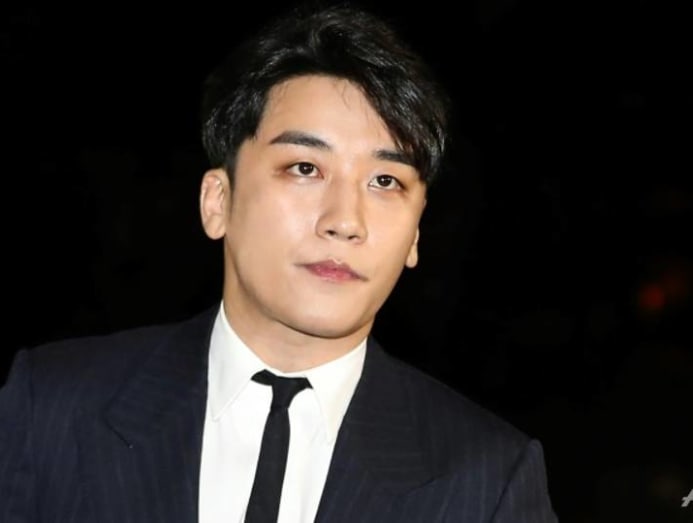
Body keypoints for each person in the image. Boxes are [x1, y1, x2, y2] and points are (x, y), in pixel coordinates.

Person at [0, 2, 558, 522]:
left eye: (385, 181)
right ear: (218, 201)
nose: (345, 220)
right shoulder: (50, 406)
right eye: (305, 169)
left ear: (415, 234)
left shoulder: (489, 478)